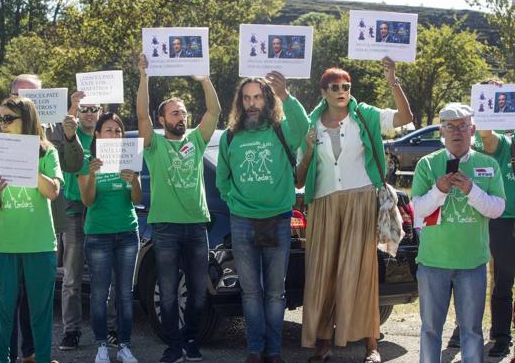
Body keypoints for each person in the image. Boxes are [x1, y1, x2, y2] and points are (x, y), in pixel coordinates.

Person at [296, 57, 412, 363]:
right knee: (321, 273)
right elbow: (298, 175)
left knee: (361, 271)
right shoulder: (310, 124)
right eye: (334, 87)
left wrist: (392, 80)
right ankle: (323, 343)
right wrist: (307, 150)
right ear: (323, 92)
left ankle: (371, 345)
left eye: (346, 86)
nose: (341, 91)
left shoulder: (366, 115)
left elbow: (404, 116)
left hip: (361, 199)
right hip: (322, 201)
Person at [0, 75, 84, 362]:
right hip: (3, 245)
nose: (1, 124)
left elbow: (53, 191)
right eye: (1, 118)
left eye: (8, 119)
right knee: (2, 314)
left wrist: (25, 161)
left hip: (40, 245)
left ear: (26, 119)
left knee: (41, 314)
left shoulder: (47, 151)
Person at [215, 73, 309, 363]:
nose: (252, 103)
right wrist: (236, 202)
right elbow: (222, 180)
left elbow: (304, 126)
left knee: (275, 293)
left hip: (278, 221)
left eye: (257, 97)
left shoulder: (281, 130)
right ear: (240, 102)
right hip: (242, 222)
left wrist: (286, 94)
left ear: (266, 100)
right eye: (247, 97)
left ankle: (274, 351)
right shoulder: (230, 136)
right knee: (251, 293)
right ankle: (255, 349)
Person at [136, 53, 221, 363]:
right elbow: (141, 116)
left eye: (183, 112)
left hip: (198, 227)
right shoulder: (154, 145)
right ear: (162, 120)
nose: (180, 117)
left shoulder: (196, 141)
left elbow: (214, 110)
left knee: (199, 292)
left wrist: (204, 79)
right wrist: (144, 76)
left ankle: (190, 342)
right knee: (169, 291)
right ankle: (173, 345)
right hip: (166, 228)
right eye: (174, 113)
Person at [411, 103, 505, 363]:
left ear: (472, 129)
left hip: (472, 263)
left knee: (472, 332)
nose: (457, 132)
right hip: (432, 263)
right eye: (450, 126)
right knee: (430, 330)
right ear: (441, 131)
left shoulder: (487, 164)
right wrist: (439, 190)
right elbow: (417, 210)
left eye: (462, 126)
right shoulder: (428, 165)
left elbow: (498, 208)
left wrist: (472, 191)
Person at [78, 112, 142, 363]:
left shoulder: (130, 156)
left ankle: (124, 345)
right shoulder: (89, 160)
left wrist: (135, 181)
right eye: (108, 130)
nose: (114, 135)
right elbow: (87, 200)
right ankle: (102, 346)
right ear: (97, 134)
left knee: (125, 293)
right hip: (98, 235)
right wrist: (92, 175)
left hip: (127, 232)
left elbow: (136, 199)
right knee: (99, 294)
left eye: (118, 131)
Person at [57, 91, 102, 351]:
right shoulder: (68, 134)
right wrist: (73, 105)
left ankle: (107, 329)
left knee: (103, 274)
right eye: (84, 108)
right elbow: (67, 125)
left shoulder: (106, 135)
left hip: (100, 207)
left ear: (100, 110)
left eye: (93, 108)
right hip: (73, 208)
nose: (88, 112)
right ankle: (71, 330)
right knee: (72, 277)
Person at [473, 102, 515, 358]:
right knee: (503, 280)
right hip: (502, 220)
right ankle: (501, 336)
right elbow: (486, 136)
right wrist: (489, 104)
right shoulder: (497, 142)